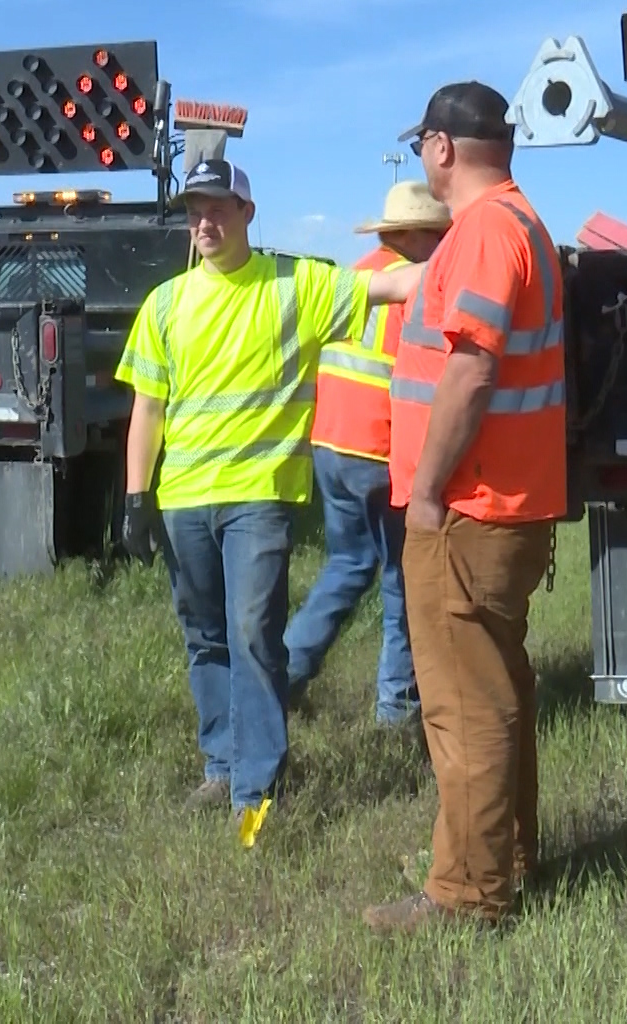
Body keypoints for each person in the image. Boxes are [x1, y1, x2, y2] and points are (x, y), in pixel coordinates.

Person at [115, 157, 423, 849]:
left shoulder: (294, 287)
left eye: (219, 207)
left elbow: (395, 284)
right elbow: (147, 410)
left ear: (247, 213)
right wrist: (137, 498)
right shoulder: (165, 304)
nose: (206, 220)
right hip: (185, 500)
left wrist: (470, 256)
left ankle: (256, 794)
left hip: (258, 500)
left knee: (253, 638)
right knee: (206, 640)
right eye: (196, 207)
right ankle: (221, 765)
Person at [362, 80, 567, 930]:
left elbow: (472, 367)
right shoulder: (517, 224)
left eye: (422, 147)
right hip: (502, 505)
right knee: (497, 692)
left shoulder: (484, 232)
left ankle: (467, 897)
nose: (422, 159)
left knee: (463, 710)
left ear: (443, 147)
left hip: (469, 509)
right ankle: (499, 860)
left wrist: (431, 494)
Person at [284, 181, 450, 727]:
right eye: (437, 235)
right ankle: (397, 709)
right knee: (401, 577)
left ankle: (283, 677)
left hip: (331, 444)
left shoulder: (351, 277)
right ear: (415, 235)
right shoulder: (416, 287)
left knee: (346, 564)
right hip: (381, 450)